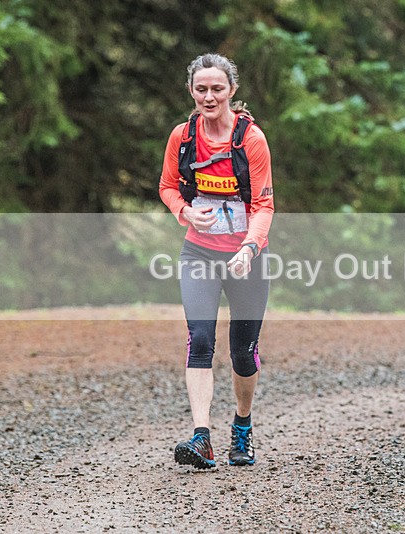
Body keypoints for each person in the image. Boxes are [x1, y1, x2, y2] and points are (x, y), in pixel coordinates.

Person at [159, 53, 274, 469]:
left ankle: (241, 428)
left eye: (217, 89)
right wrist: (186, 213)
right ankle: (201, 436)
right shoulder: (182, 136)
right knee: (201, 340)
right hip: (199, 252)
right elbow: (168, 186)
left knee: (243, 353)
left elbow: (263, 204)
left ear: (232, 91)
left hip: (247, 258)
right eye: (201, 89)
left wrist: (249, 247)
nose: (209, 96)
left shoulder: (251, 139)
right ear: (191, 90)